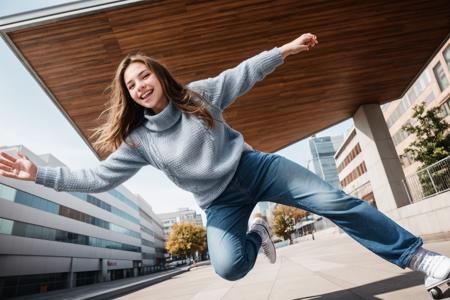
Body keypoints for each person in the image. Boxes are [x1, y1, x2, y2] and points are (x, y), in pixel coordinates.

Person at [0, 33, 448, 290]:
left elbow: (242, 73)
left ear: (157, 76)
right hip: (219, 204)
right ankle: (257, 231)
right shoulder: (139, 141)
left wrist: (285, 50)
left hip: (256, 168)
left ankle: (421, 259)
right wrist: (41, 174)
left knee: (335, 201)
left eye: (144, 76)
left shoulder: (197, 97)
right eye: (131, 85)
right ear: (128, 95)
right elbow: (96, 177)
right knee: (229, 266)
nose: (139, 86)